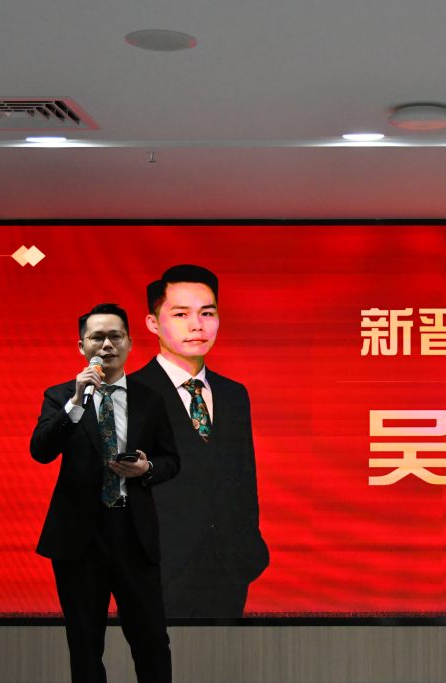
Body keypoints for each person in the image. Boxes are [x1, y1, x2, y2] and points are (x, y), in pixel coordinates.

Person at [30, 303, 179, 683]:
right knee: (84, 645)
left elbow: (171, 460)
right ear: (82, 346)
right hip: (79, 537)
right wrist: (76, 402)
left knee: (151, 642)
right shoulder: (60, 396)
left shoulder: (150, 398)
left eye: (115, 336)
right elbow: (41, 451)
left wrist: (147, 468)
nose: (107, 345)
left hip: (133, 533)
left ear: (129, 343)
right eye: (97, 337)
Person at [131, 264, 269, 619]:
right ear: (153, 323)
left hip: (229, 569)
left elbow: (244, 479)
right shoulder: (130, 393)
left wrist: (248, 551)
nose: (197, 325)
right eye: (181, 314)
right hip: (157, 569)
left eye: (207, 313)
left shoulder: (233, 394)